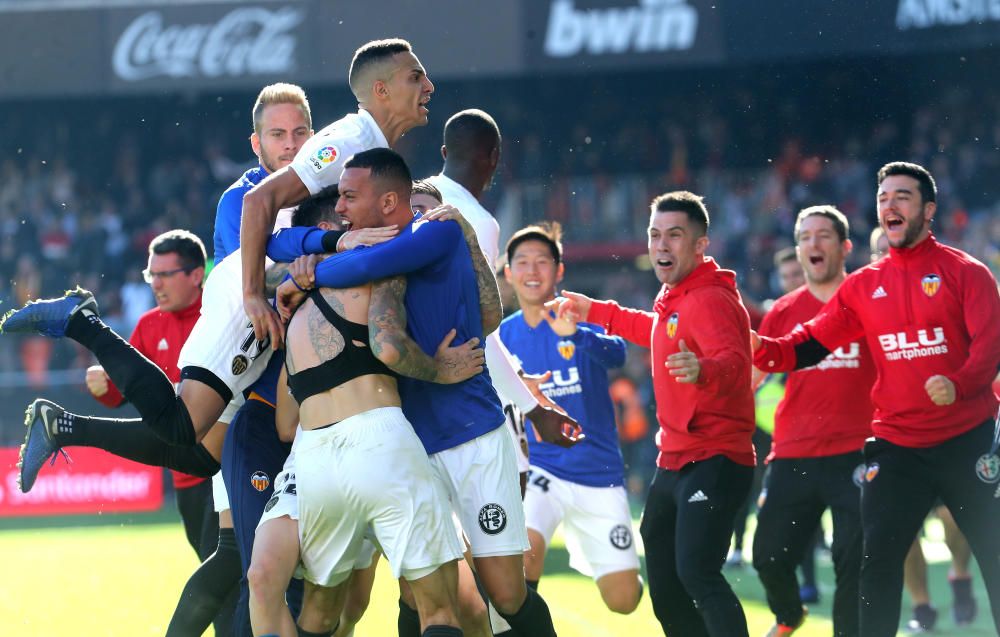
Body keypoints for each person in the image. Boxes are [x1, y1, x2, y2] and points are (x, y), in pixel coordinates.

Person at [269, 148, 572, 637]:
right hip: (407, 440)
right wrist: (312, 263)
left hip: (470, 434)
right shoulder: (368, 251)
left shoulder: (437, 230)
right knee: (418, 588)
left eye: (350, 197)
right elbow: (275, 245)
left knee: (505, 592)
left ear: (396, 203)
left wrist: (306, 277)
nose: (343, 208)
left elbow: (487, 316)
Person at [752, 161, 1000, 636]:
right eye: (884, 197)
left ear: (928, 210)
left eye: (902, 196)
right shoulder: (862, 286)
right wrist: (762, 349)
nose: (890, 204)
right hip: (897, 446)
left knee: (993, 554)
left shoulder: (967, 273)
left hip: (966, 440)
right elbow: (809, 343)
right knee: (877, 563)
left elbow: (991, 348)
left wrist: (961, 383)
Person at [256, 177, 488, 637]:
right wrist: (441, 369)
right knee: (439, 608)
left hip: (316, 456)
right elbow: (388, 346)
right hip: (378, 437)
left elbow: (286, 422)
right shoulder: (380, 268)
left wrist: (303, 270)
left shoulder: (292, 290)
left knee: (321, 613)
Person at [549, 191, 756, 636]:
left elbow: (737, 363)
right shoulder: (676, 296)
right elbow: (653, 330)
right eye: (654, 234)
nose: (661, 245)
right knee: (665, 586)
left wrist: (704, 369)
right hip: (676, 459)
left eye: (674, 236)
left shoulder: (710, 298)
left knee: (697, 573)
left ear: (700, 244)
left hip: (716, 456)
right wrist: (596, 312)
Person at [241, 38, 430, 352]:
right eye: (415, 77)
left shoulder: (370, 145)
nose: (429, 86)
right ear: (381, 90)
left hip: (291, 294)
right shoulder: (346, 144)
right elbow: (258, 199)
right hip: (259, 301)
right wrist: (251, 295)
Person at [499, 221, 643, 614]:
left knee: (624, 601)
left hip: (599, 473)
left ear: (559, 271)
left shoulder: (579, 315)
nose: (532, 271)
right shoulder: (501, 337)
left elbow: (618, 354)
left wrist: (576, 334)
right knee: (522, 559)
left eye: (542, 261)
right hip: (541, 469)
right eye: (522, 262)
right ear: (508, 273)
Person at [752, 205, 876, 637]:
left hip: (857, 451)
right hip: (793, 451)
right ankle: (790, 615)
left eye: (823, 235)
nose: (812, 244)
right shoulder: (784, 311)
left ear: (844, 246)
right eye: (804, 237)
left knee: (852, 559)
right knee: (767, 555)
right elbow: (752, 378)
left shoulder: (868, 301)